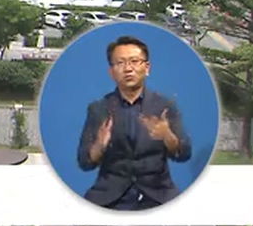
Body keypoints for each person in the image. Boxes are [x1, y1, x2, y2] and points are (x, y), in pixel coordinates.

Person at [76, 35, 192, 210]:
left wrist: (167, 135)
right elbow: (84, 162)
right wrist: (99, 145)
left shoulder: (164, 106)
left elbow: (184, 154)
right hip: (110, 197)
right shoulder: (99, 109)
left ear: (147, 68)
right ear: (112, 72)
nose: (128, 69)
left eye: (135, 61)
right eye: (120, 63)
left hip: (159, 195)